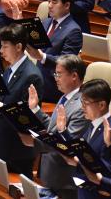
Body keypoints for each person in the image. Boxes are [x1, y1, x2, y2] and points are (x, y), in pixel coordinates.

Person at [0, 24, 43, 178]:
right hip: (4, 144)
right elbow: (3, 99)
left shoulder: (32, 76)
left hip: (19, 150)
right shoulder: (9, 69)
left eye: (5, 47)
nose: (1, 51)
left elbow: (25, 118)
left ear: (19, 46)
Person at [25, 54, 89, 199]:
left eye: (59, 74)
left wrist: (35, 141)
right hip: (51, 175)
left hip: (64, 181)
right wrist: (35, 109)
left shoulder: (81, 106)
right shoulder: (65, 96)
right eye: (55, 74)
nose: (55, 78)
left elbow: (68, 141)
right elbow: (52, 129)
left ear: (74, 76)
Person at [18, 0, 82, 103]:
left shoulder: (74, 30)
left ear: (67, 5)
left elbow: (66, 62)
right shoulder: (45, 22)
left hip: (53, 88)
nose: (49, 5)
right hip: (36, 82)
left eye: (54, 2)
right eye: (48, 1)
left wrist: (42, 57)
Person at [65, 79, 111, 199]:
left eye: (86, 103)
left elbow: (108, 171)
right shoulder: (94, 123)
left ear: (101, 105)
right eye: (81, 102)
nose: (82, 107)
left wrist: (78, 161)